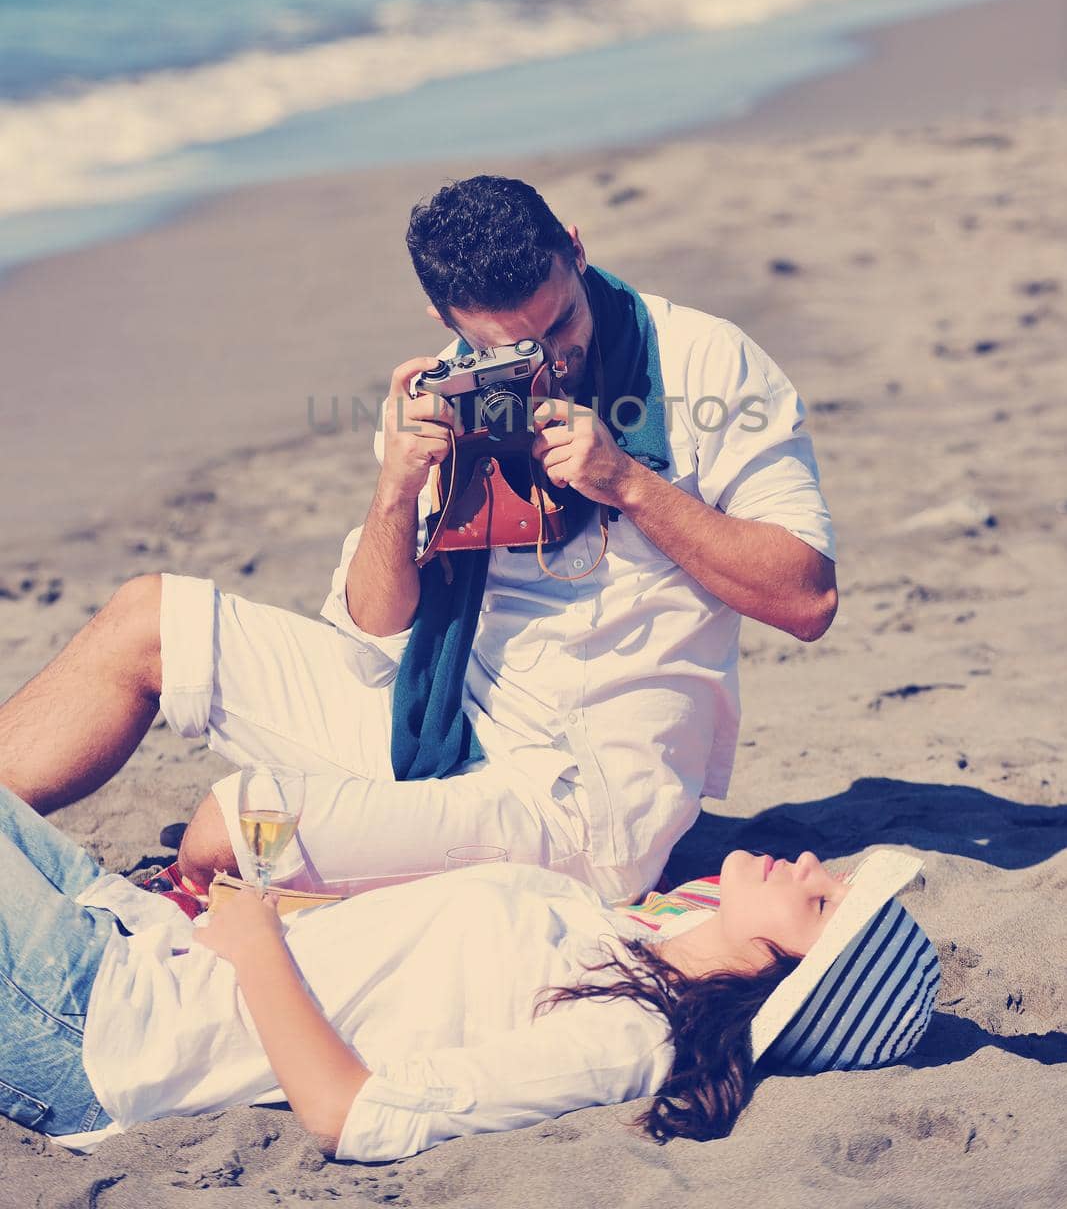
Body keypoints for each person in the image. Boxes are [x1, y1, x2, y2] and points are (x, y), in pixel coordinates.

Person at [0, 176, 838, 906]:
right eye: (510, 346)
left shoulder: (706, 362)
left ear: (575, 250)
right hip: (433, 723)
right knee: (149, 617)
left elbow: (806, 599)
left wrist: (627, 481)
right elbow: (373, 625)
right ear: (444, 318)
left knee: (229, 833)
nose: (548, 359)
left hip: (585, 798)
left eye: (562, 325)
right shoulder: (448, 393)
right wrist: (398, 483)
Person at [0, 783, 937, 1159]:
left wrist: (257, 950)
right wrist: (270, 922)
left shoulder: (625, 1038)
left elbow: (360, 1115)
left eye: (820, 902)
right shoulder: (621, 938)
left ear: (779, 974)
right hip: (134, 939)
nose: (811, 867)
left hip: (104, 1029)